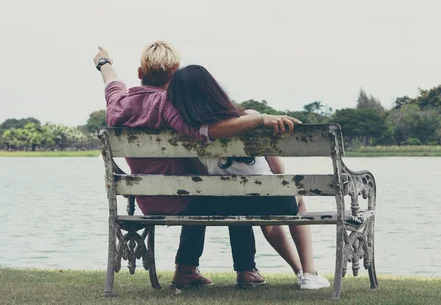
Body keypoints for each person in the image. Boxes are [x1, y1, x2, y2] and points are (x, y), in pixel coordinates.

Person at [94, 42, 302, 289]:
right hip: (185, 198)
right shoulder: (168, 105)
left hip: (148, 201)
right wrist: (259, 118)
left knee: (206, 192)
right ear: (176, 77)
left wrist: (104, 62)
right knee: (233, 194)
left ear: (140, 73)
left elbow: (111, 81)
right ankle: (246, 270)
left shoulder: (118, 103)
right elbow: (208, 131)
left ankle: (187, 270)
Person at [167, 64, 330, 290]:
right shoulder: (250, 118)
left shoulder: (191, 132)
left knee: (242, 199)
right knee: (296, 200)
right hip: (267, 200)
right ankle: (308, 273)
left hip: (223, 205)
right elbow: (278, 170)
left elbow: (201, 173)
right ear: (213, 89)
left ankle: (294, 270)